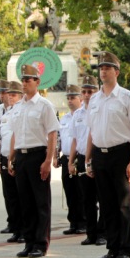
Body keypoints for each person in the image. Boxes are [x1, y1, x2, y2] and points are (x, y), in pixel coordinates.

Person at [84, 51, 130, 258]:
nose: (103, 71)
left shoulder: (127, 97)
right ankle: (112, 247)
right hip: (100, 155)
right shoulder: (95, 99)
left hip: (121, 154)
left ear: (116, 71)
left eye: (107, 68)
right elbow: (91, 131)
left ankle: (126, 249)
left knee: (124, 204)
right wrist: (88, 159)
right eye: (101, 68)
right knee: (106, 205)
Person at [9, 64, 60, 258]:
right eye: (22, 79)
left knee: (40, 202)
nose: (24, 83)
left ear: (37, 82)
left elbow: (52, 134)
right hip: (21, 156)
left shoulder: (44, 105)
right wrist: (12, 157)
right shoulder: (18, 106)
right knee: (26, 202)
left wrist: (48, 160)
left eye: (28, 80)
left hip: (38, 154)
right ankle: (29, 241)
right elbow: (15, 133)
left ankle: (40, 243)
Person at [70, 75, 105, 247]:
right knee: (88, 199)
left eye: (90, 91)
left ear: (96, 92)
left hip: (98, 156)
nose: (86, 94)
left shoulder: (99, 109)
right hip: (83, 157)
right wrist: (71, 161)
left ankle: (102, 233)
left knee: (102, 196)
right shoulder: (77, 114)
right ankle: (91, 233)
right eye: (84, 91)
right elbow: (75, 140)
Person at [0, 79, 23, 242]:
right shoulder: (4, 114)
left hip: (17, 157)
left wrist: (13, 158)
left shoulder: (20, 113)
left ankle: (24, 230)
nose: (10, 98)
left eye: (14, 95)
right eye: (9, 95)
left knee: (21, 195)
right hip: (4, 157)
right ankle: (16, 228)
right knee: (10, 195)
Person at [57, 84, 87, 235]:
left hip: (79, 157)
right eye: (68, 98)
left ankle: (83, 222)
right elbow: (60, 138)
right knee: (70, 192)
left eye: (73, 97)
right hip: (66, 158)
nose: (70, 101)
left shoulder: (83, 115)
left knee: (80, 192)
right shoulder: (64, 118)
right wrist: (57, 155)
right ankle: (73, 222)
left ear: (80, 99)